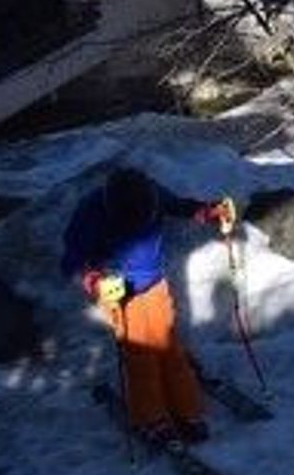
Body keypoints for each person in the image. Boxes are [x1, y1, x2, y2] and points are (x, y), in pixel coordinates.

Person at [61, 167, 234, 444]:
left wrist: (207, 211)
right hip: (121, 293)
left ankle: (186, 410)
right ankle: (151, 417)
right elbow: (72, 257)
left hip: (155, 283)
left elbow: (178, 205)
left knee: (169, 348)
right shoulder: (91, 211)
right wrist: (92, 279)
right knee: (140, 357)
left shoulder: (151, 194)